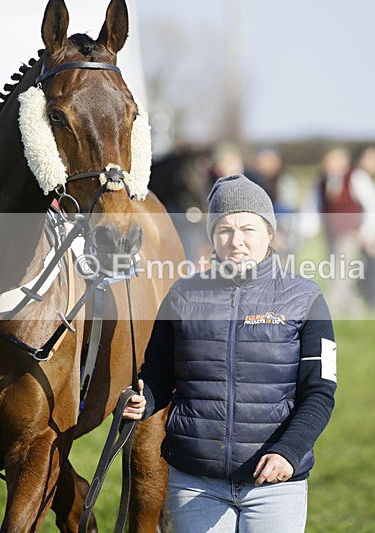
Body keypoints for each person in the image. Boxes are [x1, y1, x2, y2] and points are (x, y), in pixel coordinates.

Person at [123, 174, 337, 533]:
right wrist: (142, 400)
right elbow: (158, 376)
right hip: (195, 484)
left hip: (274, 486)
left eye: (248, 229)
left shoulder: (307, 299)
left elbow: (320, 392)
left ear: (269, 233)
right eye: (225, 230)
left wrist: (290, 451)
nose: (236, 241)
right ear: (212, 237)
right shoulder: (181, 296)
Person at [318, 145, 375, 314]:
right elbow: (314, 209)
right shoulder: (322, 182)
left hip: (350, 234)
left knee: (339, 274)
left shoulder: (356, 178)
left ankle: (329, 312)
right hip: (331, 234)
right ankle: (357, 312)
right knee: (342, 274)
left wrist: (368, 232)